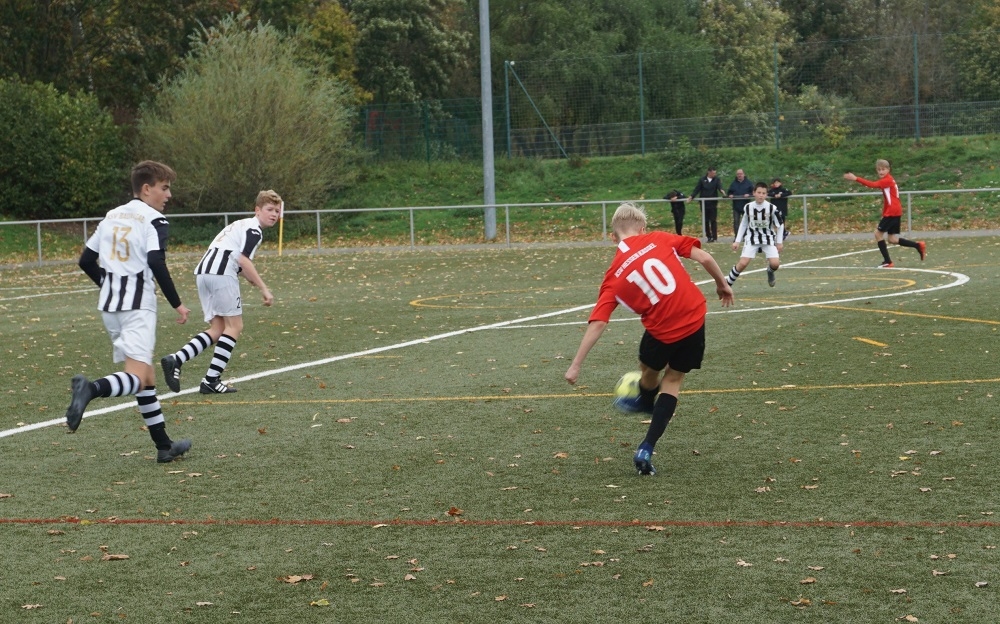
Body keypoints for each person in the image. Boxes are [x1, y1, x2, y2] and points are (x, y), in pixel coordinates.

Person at [564, 202, 734, 476]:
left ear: (613, 237)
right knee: (673, 380)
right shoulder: (659, 238)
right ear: (643, 229)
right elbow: (704, 258)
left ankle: (644, 399)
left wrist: (575, 365)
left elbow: (599, 322)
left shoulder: (613, 276)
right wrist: (722, 284)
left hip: (661, 331)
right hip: (694, 318)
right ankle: (646, 447)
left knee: (648, 368)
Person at [64, 160, 193, 463]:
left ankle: (164, 446)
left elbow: (85, 261)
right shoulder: (154, 220)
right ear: (147, 189)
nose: (169, 195)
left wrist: (108, 284)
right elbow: (156, 261)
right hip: (137, 307)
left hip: (110, 307)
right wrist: (177, 303)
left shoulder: (112, 215)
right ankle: (90, 389)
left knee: (146, 375)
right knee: (136, 375)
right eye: (165, 188)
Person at [161, 190, 282, 394]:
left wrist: (248, 277)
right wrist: (264, 288)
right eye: (269, 209)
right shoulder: (254, 230)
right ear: (257, 210)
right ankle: (211, 379)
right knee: (235, 326)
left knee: (218, 329)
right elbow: (243, 260)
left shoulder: (240, 224)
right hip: (221, 274)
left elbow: (236, 259)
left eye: (277, 211)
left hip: (204, 273)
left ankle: (176, 360)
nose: (274, 214)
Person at [843, 160, 926, 267]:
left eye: (883, 169)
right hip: (895, 211)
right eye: (879, 170)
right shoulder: (888, 179)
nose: (881, 172)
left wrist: (856, 178)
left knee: (878, 234)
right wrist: (885, 212)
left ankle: (888, 261)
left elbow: (872, 184)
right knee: (892, 239)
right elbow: (889, 199)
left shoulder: (887, 180)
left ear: (888, 170)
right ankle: (918, 245)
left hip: (892, 212)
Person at [726, 182, 784, 288]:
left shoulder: (772, 208)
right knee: (743, 263)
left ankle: (770, 271)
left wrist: (779, 242)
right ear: (754, 193)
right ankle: (727, 285)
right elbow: (744, 224)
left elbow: (780, 224)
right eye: (759, 192)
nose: (761, 195)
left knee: (775, 264)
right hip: (752, 238)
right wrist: (737, 241)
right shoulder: (748, 207)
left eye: (763, 193)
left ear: (766, 195)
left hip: (768, 238)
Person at [688, 167, 723, 242]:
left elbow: (719, 187)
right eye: (713, 173)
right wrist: (691, 196)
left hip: (713, 203)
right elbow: (697, 189)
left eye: (715, 173)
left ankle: (714, 237)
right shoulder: (702, 180)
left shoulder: (716, 179)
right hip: (704, 204)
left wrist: (722, 191)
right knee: (706, 220)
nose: (714, 174)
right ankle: (709, 236)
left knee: (713, 220)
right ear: (709, 172)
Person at [727, 169, 754, 238]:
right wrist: (730, 195)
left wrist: (749, 194)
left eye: (740, 174)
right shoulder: (733, 183)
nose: (739, 175)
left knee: (746, 222)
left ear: (744, 174)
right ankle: (737, 237)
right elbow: (729, 192)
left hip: (746, 206)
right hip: (736, 206)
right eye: (738, 174)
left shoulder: (748, 183)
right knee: (736, 222)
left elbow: (753, 192)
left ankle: (746, 236)